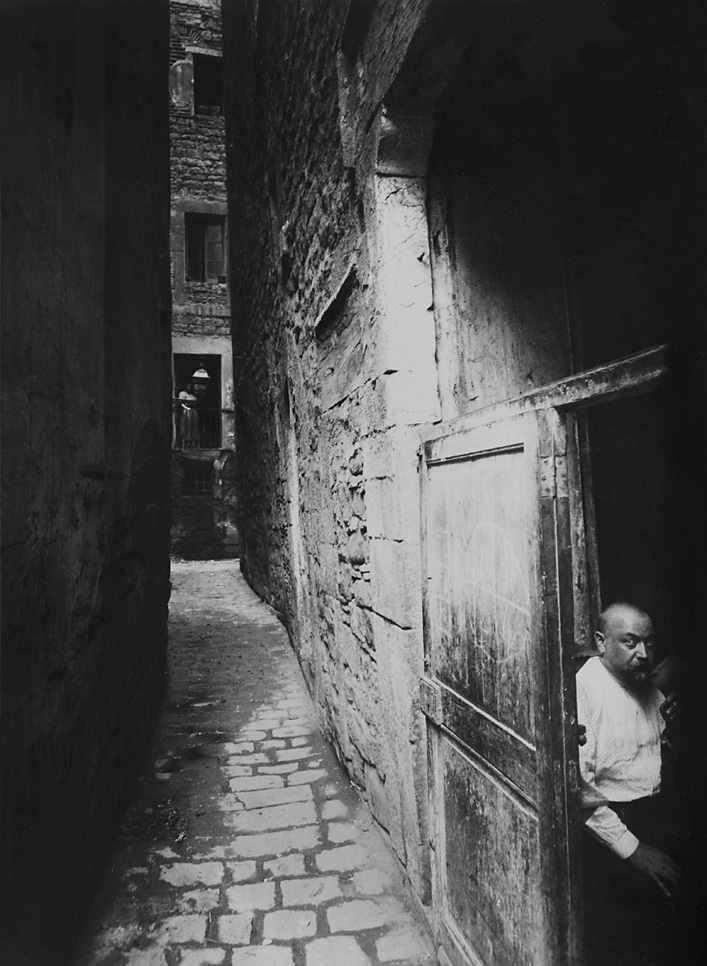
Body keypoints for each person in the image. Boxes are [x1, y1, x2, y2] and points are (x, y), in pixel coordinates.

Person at [577, 602, 692, 964]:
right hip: (610, 824)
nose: (643, 654)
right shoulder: (585, 690)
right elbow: (580, 788)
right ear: (601, 641)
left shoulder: (644, 685)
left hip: (655, 812)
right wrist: (634, 849)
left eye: (649, 642)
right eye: (629, 642)